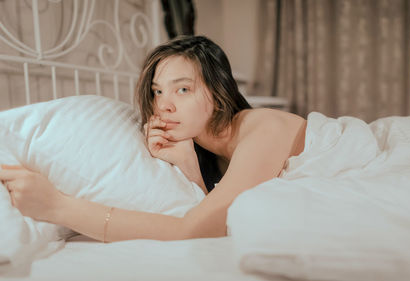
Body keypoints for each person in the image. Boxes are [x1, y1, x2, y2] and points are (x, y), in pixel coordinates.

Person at [0, 35, 307, 242]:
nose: (164, 105)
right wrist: (189, 168)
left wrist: (57, 206)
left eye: (182, 89)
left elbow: (195, 231)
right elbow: (219, 215)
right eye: (158, 91)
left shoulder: (263, 128)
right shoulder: (210, 153)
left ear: (219, 93)